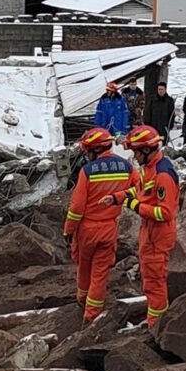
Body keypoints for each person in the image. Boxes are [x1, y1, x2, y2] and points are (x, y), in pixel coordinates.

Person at [108, 125, 179, 328]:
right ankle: (154, 320)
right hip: (150, 232)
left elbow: (165, 213)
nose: (134, 156)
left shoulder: (163, 174)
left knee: (155, 281)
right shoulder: (149, 169)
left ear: (146, 150)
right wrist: (117, 198)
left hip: (158, 235)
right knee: (149, 279)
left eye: (136, 152)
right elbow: (138, 190)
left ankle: (156, 325)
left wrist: (136, 207)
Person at [64, 128, 138, 322]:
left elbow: (77, 207)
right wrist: (121, 198)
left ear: (94, 150)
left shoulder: (87, 171)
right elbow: (140, 188)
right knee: (100, 272)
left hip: (87, 229)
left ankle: (82, 299)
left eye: (87, 151)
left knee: (84, 266)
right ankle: (92, 315)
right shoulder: (126, 167)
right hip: (109, 227)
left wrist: (68, 230)